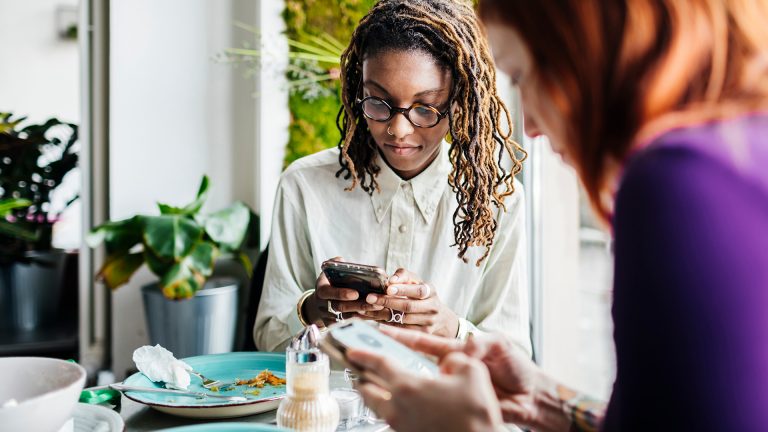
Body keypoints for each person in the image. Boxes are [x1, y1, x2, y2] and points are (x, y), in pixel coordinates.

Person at [347, 0, 768, 431]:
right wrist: (547, 403)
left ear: (583, 52)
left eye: (523, 77)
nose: (529, 126)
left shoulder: (677, 184)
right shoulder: (739, 152)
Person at [253, 0, 531, 354]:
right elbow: (267, 341)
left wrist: (451, 329)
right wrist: (315, 310)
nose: (398, 130)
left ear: (458, 102)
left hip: (440, 407)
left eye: (424, 108)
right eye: (378, 103)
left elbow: (515, 359)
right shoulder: (304, 186)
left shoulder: (500, 202)